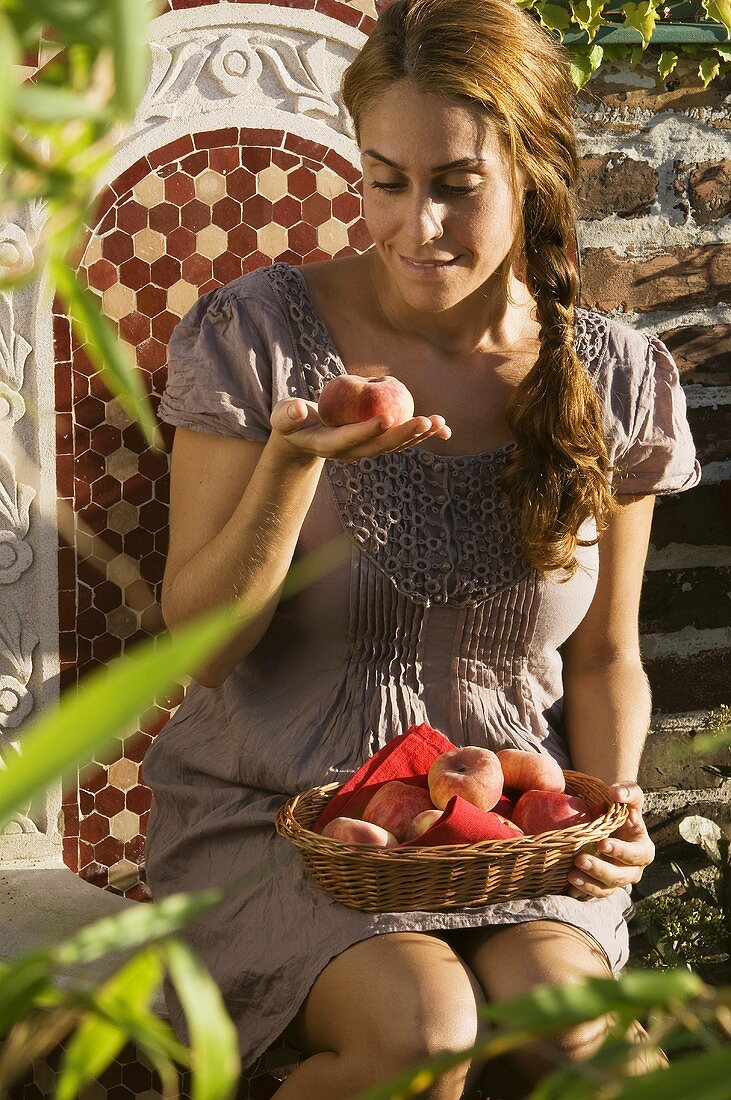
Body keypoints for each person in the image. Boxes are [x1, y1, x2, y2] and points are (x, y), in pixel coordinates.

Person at [142, 0, 701, 1095]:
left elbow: (603, 659)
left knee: (575, 1033)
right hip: (279, 821)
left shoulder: (615, 375)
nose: (414, 226)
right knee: (424, 1034)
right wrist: (295, 460)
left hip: (504, 826)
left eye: (455, 185)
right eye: (385, 179)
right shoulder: (256, 335)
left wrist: (616, 808)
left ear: (533, 172)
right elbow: (199, 650)